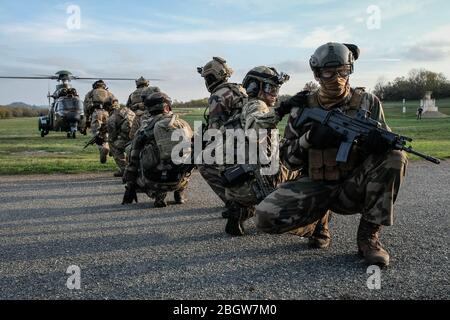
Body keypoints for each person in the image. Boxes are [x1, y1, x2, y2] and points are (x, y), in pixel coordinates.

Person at [255, 43, 408, 267]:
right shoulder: (302, 107)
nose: (337, 78)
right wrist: (309, 140)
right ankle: (317, 223)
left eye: (343, 71)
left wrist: (377, 144)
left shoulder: (368, 102)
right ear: (317, 74)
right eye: (329, 72)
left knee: (396, 156)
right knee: (264, 218)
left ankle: (368, 238)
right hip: (316, 184)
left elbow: (387, 143)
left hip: (353, 186)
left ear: (350, 71)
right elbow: (288, 160)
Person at [223, 66, 300, 236]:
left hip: (238, 186)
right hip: (262, 185)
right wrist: (281, 111)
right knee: (306, 169)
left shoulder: (243, 107)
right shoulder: (257, 106)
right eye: (270, 88)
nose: (275, 93)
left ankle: (240, 210)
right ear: (253, 88)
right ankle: (319, 230)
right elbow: (255, 128)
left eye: (276, 88)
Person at [196, 57, 248, 218]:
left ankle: (234, 203)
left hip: (236, 143)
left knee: (204, 163)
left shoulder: (218, 95)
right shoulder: (240, 89)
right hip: (251, 140)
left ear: (211, 77)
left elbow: (214, 131)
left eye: (206, 78)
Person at [122, 92, 193, 208]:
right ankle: (180, 193)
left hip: (153, 181)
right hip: (178, 179)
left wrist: (130, 186)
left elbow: (132, 163)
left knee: (133, 152)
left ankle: (159, 194)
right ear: (167, 107)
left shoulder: (144, 130)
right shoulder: (182, 124)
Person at [85, 80, 116, 164]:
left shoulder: (91, 93)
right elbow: (116, 104)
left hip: (96, 113)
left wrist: (87, 119)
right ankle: (108, 146)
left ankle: (102, 148)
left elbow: (86, 106)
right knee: (107, 132)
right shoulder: (109, 93)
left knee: (97, 133)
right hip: (108, 114)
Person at [107, 99, 135, 177]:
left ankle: (124, 169)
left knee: (113, 145)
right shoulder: (128, 110)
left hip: (126, 139)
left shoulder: (111, 119)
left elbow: (112, 136)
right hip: (136, 136)